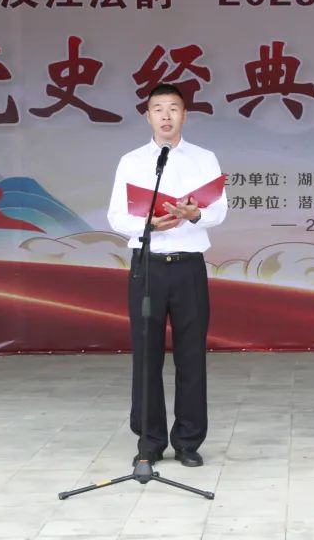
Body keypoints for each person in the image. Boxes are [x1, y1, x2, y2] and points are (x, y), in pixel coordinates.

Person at [107, 83, 228, 468]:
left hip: (189, 266)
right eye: (158, 109)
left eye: (173, 108)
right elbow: (115, 215)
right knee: (146, 355)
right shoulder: (132, 161)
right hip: (149, 265)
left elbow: (219, 210)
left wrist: (195, 214)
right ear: (148, 116)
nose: (166, 116)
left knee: (191, 355)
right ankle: (150, 440)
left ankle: (188, 441)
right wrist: (148, 224)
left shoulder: (204, 158)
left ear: (184, 115)